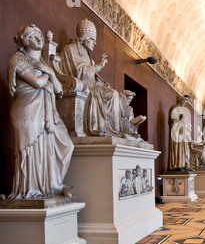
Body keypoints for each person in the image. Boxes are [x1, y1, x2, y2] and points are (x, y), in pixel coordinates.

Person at [7, 24, 74, 199]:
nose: (38, 38)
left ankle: (51, 187)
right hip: (28, 110)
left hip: (47, 111)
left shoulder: (44, 63)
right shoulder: (18, 59)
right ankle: (30, 191)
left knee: (65, 144)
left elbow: (59, 90)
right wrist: (48, 75)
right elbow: (36, 82)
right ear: (24, 41)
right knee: (32, 152)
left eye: (38, 34)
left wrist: (50, 72)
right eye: (32, 36)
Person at [59, 19, 122, 137]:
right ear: (83, 39)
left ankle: (113, 130)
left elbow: (90, 73)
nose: (95, 43)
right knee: (110, 94)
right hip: (80, 86)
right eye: (92, 39)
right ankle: (105, 129)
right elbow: (78, 71)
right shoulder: (70, 49)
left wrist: (101, 79)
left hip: (91, 86)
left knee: (114, 94)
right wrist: (98, 66)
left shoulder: (87, 54)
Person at [168, 95, 193, 171]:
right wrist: (181, 119)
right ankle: (176, 165)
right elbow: (173, 120)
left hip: (182, 132)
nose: (184, 104)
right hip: (176, 132)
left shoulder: (181, 109)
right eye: (184, 102)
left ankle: (183, 164)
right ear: (180, 101)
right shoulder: (174, 108)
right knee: (177, 148)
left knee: (184, 148)